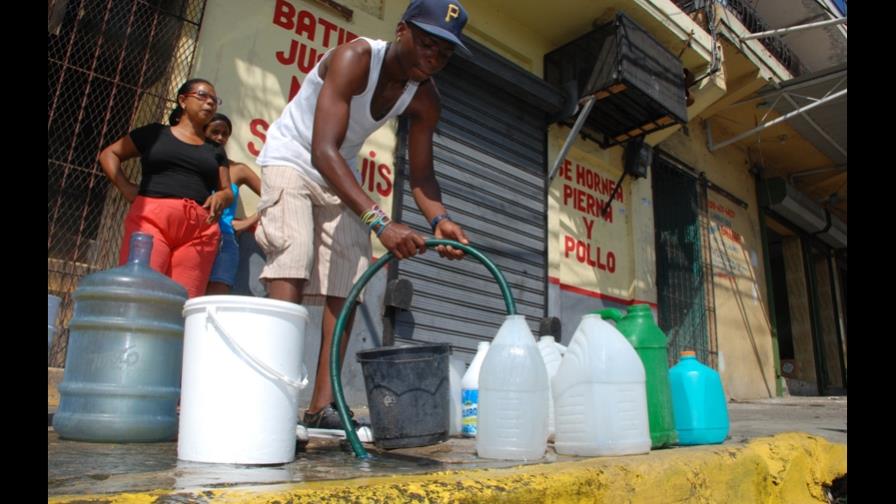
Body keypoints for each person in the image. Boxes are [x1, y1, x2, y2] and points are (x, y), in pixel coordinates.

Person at [254, 0, 472, 429]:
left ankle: (322, 406)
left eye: (445, 52)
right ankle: (272, 401)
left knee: (350, 277)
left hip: (339, 169)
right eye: (428, 43)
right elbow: (321, 150)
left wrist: (440, 220)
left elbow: (422, 175)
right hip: (293, 157)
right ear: (402, 30)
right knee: (293, 258)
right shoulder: (355, 58)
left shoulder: (425, 97)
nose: (434, 57)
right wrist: (380, 222)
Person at [98, 78, 233, 299]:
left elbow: (227, 190)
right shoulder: (155, 133)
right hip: (151, 221)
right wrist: (125, 187)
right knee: (141, 290)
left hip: (200, 232)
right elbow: (109, 154)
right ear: (182, 100)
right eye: (202, 96)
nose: (210, 102)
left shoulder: (215, 150)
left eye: (214, 100)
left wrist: (221, 196)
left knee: (183, 299)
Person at [203, 113, 262, 295]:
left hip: (225, 240)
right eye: (214, 132)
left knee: (215, 301)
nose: (220, 137)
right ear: (203, 132)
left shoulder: (238, 170)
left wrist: (247, 222)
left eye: (225, 134)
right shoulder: (191, 164)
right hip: (194, 237)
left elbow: (273, 197)